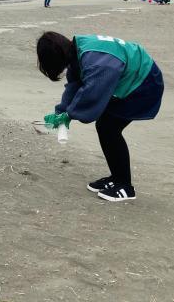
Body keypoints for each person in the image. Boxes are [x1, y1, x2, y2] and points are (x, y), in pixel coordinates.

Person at [37, 32, 164, 202]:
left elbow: (92, 94)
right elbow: (75, 85)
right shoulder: (77, 50)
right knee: (106, 127)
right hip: (134, 74)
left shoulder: (97, 64)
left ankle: (125, 186)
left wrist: (69, 115)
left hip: (144, 82)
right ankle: (117, 178)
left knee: (109, 128)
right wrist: (61, 112)